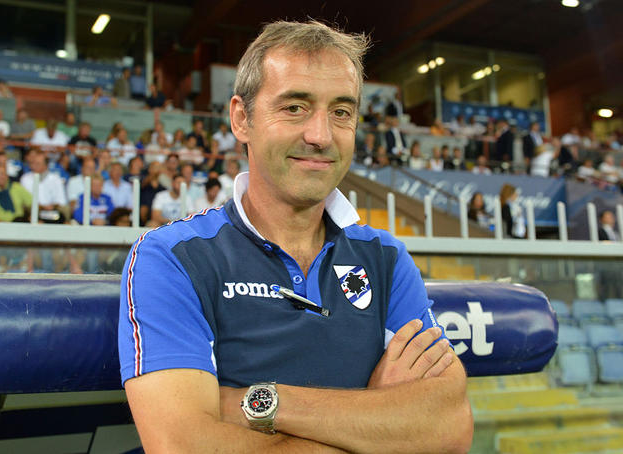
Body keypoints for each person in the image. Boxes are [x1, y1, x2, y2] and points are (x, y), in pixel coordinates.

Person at [119, 20, 472, 454]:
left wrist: (261, 404)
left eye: (341, 112)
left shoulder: (386, 258)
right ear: (241, 118)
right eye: (294, 107)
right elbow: (182, 446)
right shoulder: (172, 257)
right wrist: (380, 419)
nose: (320, 136)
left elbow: (450, 428)